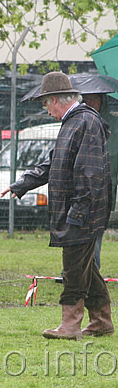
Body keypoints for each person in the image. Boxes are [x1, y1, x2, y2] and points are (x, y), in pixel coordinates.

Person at [2, 72, 114, 340]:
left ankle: (70, 325)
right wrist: (22, 185)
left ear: (55, 100)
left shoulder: (85, 122)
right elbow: (53, 164)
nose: (45, 109)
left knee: (73, 269)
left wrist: (78, 212)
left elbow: (90, 173)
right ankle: (101, 321)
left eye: (45, 103)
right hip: (79, 211)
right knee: (86, 267)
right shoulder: (74, 122)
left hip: (82, 213)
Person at [81, 92, 118, 270]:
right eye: (87, 98)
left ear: (102, 101)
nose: (91, 102)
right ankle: (76, 268)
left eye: (95, 98)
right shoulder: (79, 121)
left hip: (104, 188)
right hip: (82, 187)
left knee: (96, 232)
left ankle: (92, 268)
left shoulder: (113, 124)